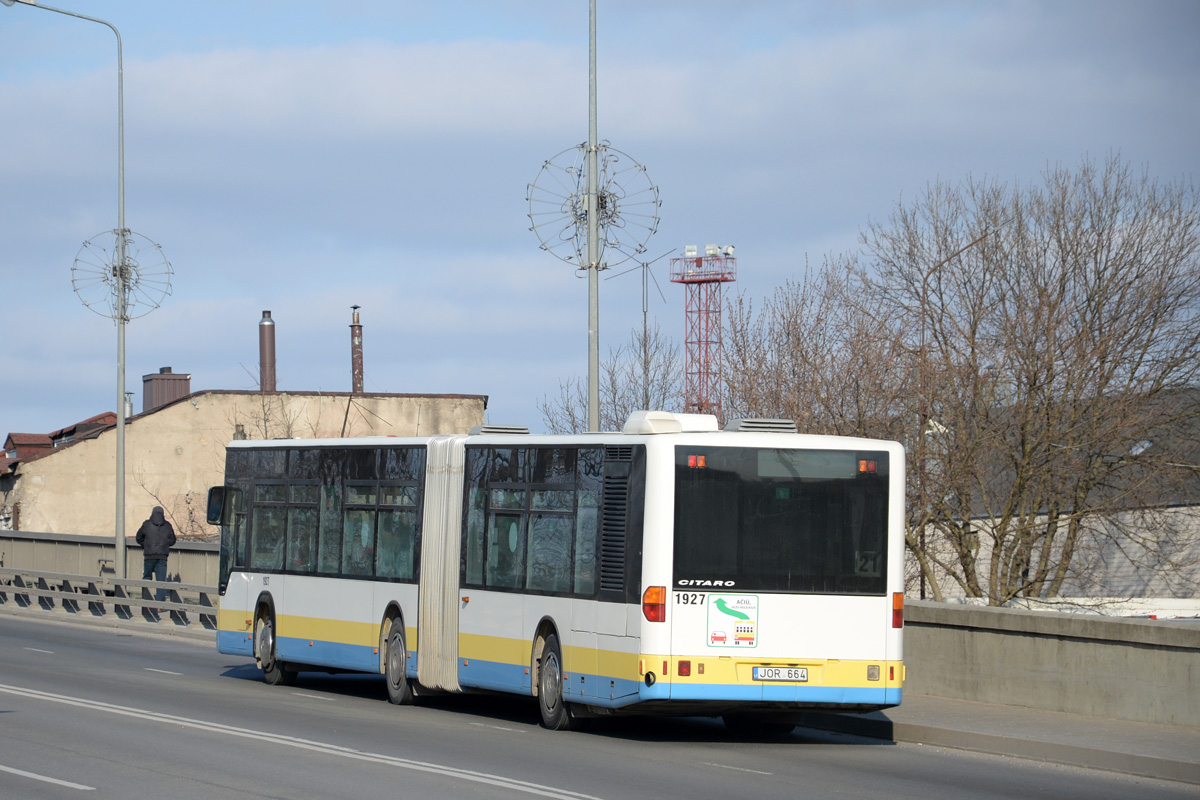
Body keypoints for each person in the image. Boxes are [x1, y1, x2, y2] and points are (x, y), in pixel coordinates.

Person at [136, 506, 177, 604]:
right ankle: (159, 605)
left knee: (146, 578)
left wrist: (146, 545)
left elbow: (138, 538)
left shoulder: (146, 524)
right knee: (161, 581)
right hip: (162, 556)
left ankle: (146, 601)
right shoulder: (167, 526)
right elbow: (173, 540)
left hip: (149, 555)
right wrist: (165, 545)